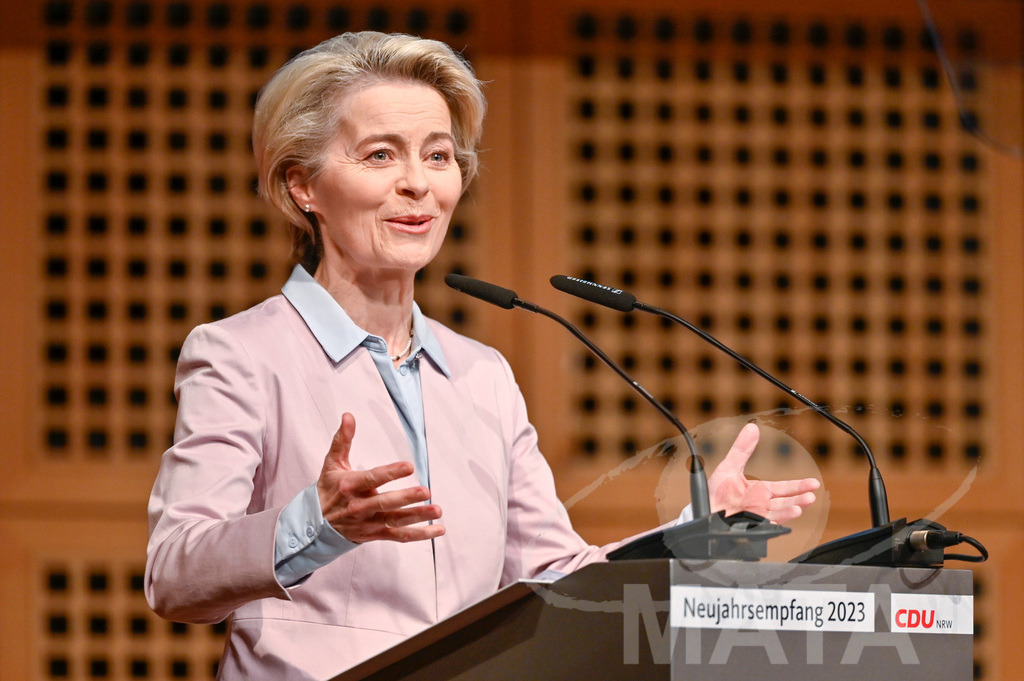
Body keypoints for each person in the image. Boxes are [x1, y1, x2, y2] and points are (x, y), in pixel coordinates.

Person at [145, 31, 819, 680]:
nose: (419, 184)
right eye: (381, 155)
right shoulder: (241, 354)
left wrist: (687, 537)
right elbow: (173, 573)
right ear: (303, 187)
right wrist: (314, 524)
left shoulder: (482, 375)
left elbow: (555, 575)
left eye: (438, 156)